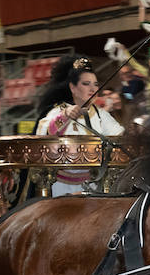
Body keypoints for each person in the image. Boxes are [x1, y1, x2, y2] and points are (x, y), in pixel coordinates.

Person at [36, 58, 124, 195]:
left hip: (93, 184)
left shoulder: (101, 115)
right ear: (73, 88)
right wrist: (64, 116)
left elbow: (120, 137)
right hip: (61, 186)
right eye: (86, 84)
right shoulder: (58, 111)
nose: (92, 89)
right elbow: (43, 135)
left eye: (95, 84)